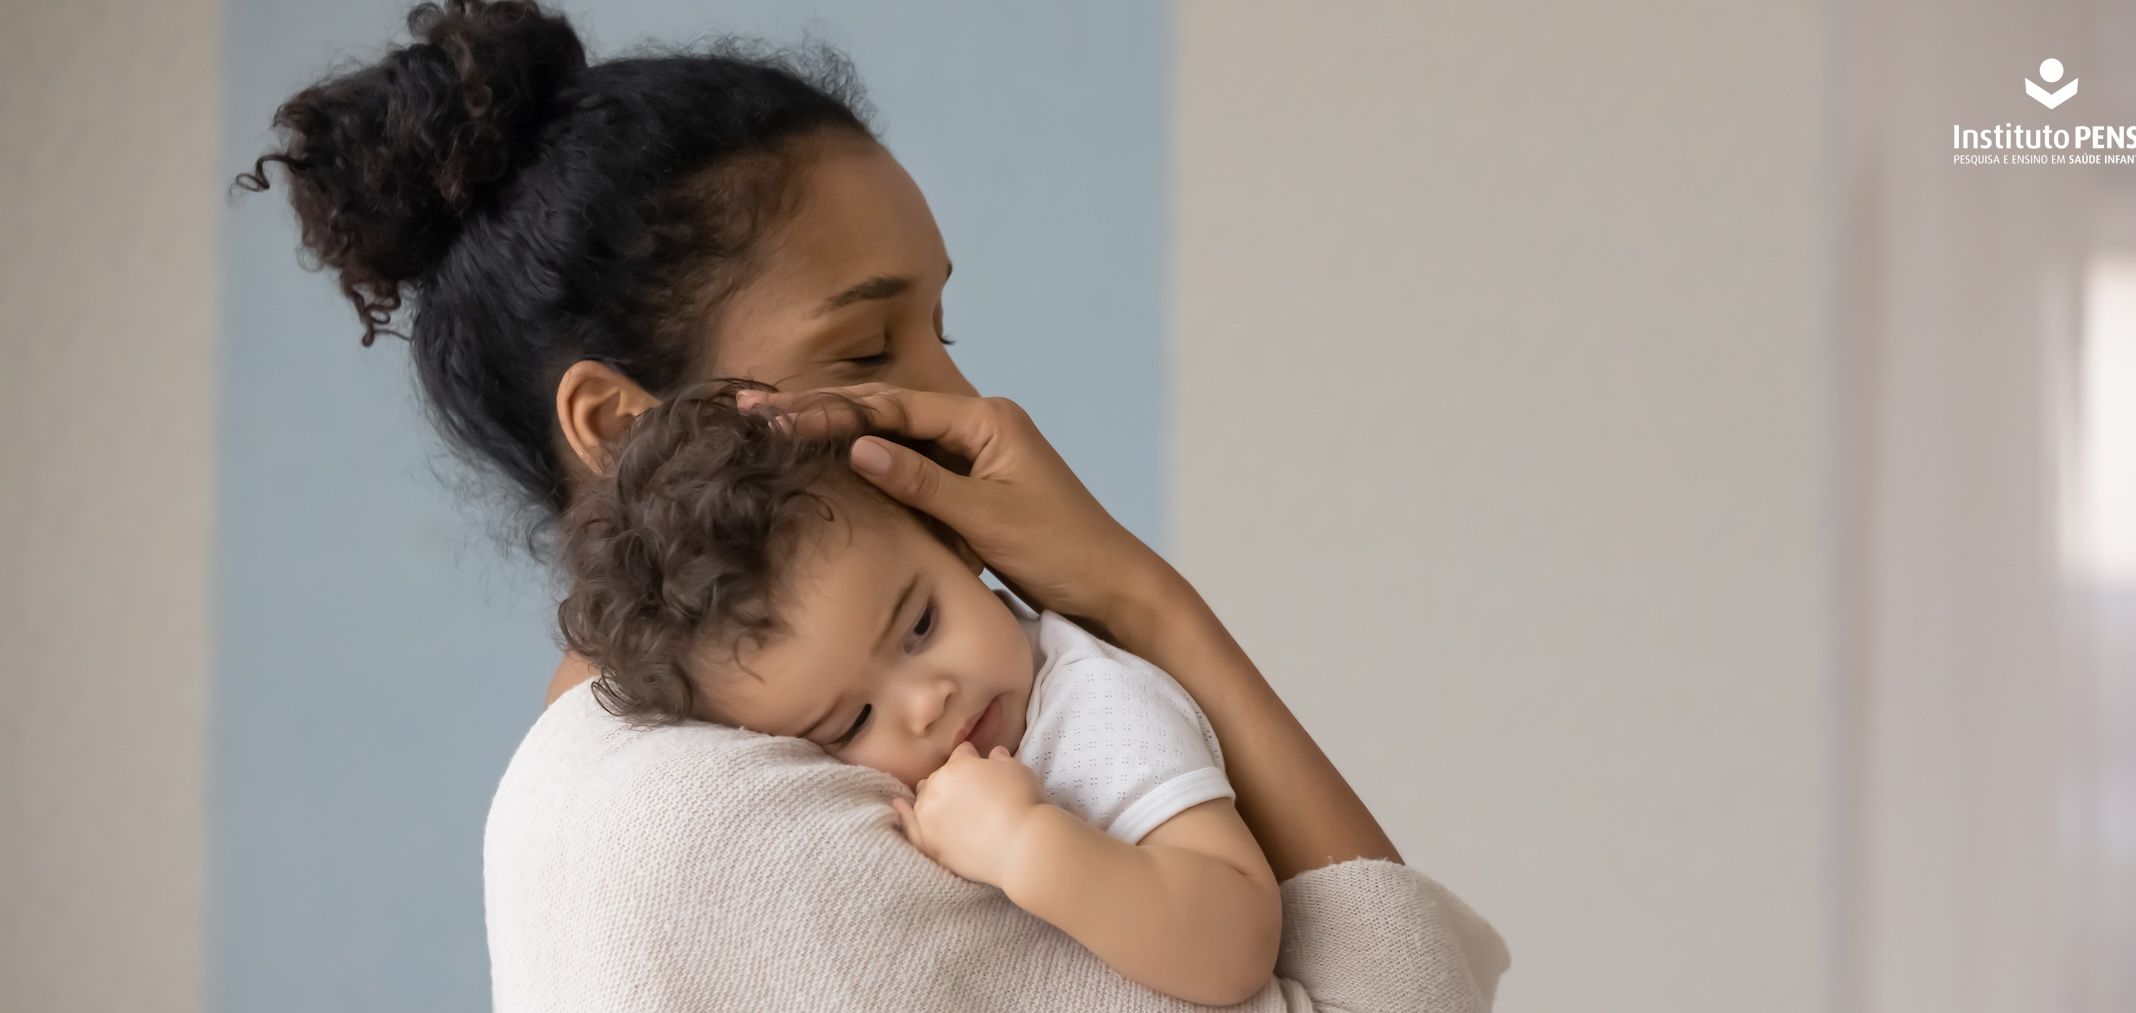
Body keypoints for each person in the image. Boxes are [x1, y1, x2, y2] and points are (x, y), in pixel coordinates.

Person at [236, 1, 1510, 1008]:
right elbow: (1398, 996)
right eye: (867, 349)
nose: (972, 405)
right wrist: (1135, 595)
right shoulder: (719, 823)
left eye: (941, 327)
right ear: (623, 427)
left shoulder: (645, 777)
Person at [554, 380, 1282, 1006]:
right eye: (853, 720)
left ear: (956, 543)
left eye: (921, 624)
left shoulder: (1094, 708)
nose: (926, 702)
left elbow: (1240, 936)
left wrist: (1027, 847)